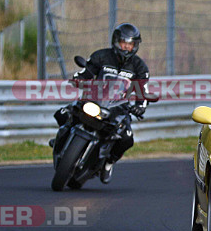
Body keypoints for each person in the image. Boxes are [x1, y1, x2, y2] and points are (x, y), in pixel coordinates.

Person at [59, 22, 150, 183]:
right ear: (116, 41)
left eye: (130, 44)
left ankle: (109, 162)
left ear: (135, 45)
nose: (126, 47)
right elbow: (87, 71)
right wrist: (79, 79)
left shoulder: (139, 66)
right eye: (124, 43)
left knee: (126, 138)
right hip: (95, 99)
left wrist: (139, 107)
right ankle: (61, 138)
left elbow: (143, 90)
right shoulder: (101, 56)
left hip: (118, 108)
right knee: (64, 112)